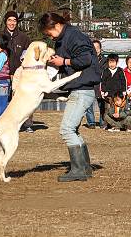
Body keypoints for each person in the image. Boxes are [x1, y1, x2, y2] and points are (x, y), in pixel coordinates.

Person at [39, 12, 101, 182]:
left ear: (56, 26)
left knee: (66, 129)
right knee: (72, 129)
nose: (49, 37)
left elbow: (86, 58)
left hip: (82, 88)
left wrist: (64, 62)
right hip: (81, 88)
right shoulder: (65, 38)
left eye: (48, 33)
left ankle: (79, 169)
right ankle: (85, 167)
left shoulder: (73, 36)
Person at [0, 11, 33, 132]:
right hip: (4, 76)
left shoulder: (24, 37)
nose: (12, 23)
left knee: (23, 99)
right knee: (2, 100)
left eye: (14, 20)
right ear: (5, 21)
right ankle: (1, 123)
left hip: (20, 74)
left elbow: (28, 54)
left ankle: (27, 124)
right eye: (9, 20)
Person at [85, 39, 107, 129]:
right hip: (89, 84)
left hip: (101, 85)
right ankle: (91, 123)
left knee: (102, 105)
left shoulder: (106, 60)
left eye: (97, 48)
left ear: (100, 49)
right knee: (88, 105)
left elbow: (105, 72)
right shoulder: (86, 59)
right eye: (93, 48)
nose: (95, 49)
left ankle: (102, 122)